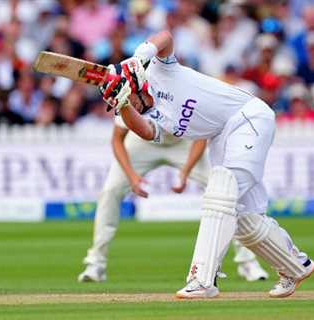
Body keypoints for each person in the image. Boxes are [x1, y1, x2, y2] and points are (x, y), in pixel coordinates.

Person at [99, 30, 314, 299]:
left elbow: (165, 36)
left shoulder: (159, 69)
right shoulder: (150, 113)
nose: (129, 104)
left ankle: (202, 278)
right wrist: (121, 106)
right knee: (243, 219)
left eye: (127, 97)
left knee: (220, 194)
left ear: (137, 83)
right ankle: (296, 266)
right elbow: (143, 131)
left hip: (248, 117)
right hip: (220, 136)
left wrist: (139, 56)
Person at [78, 103, 269, 283]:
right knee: (110, 191)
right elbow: (117, 139)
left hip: (183, 143)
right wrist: (132, 176)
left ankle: (247, 262)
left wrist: (185, 172)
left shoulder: (186, 93)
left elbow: (200, 138)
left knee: (226, 190)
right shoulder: (133, 94)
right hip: (141, 143)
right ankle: (96, 264)